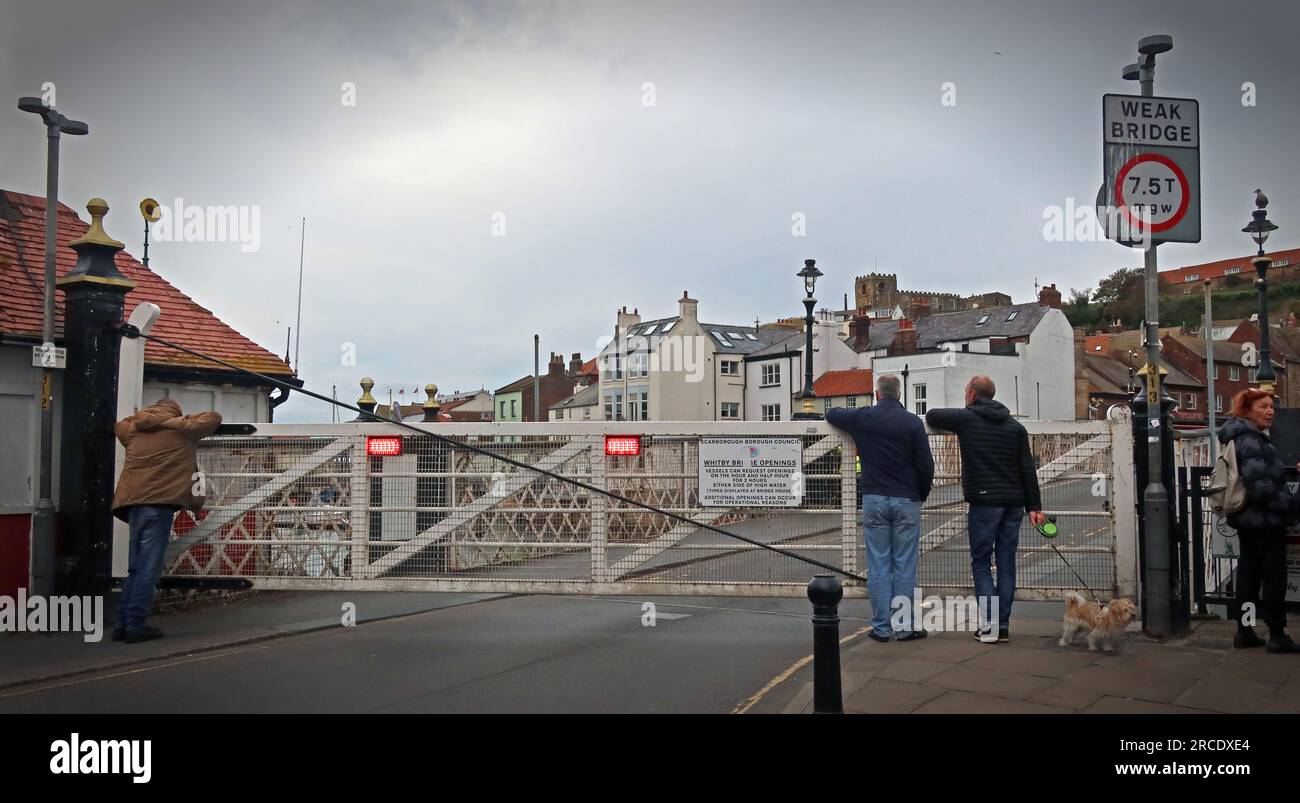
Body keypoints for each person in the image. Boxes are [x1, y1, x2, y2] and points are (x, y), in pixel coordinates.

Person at [926, 376, 1045, 643]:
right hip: (1014, 502)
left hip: (984, 502)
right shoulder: (1015, 427)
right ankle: (1002, 625)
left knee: (981, 562)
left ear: (971, 394)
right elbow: (1028, 469)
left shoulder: (967, 419)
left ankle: (990, 625)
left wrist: (966, 410)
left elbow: (932, 415)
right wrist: (1034, 506)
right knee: (1006, 562)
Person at [827, 375, 934, 642]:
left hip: (875, 497)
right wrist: (920, 494)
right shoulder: (912, 422)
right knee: (904, 566)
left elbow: (832, 412)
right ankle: (904, 627)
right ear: (899, 395)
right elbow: (926, 465)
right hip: (906, 498)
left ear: (877, 394)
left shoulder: (864, 418)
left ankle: (881, 628)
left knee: (878, 565)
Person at [111, 398, 222, 643]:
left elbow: (119, 425)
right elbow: (214, 418)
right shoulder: (183, 430)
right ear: (175, 413)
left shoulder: (134, 431)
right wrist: (177, 421)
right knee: (148, 569)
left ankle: (122, 624)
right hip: (158, 506)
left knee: (134, 567)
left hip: (132, 506)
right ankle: (136, 625)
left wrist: (146, 418)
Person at [1219, 388, 1300, 653]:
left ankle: (1245, 630)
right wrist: (1289, 505)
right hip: (1264, 521)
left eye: (1271, 407)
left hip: (1247, 520)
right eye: (1263, 407)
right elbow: (1261, 487)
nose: (1270, 411)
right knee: (1273, 577)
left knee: (1249, 577)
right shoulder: (1251, 440)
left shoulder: (1241, 437)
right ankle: (1277, 634)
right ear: (1247, 411)